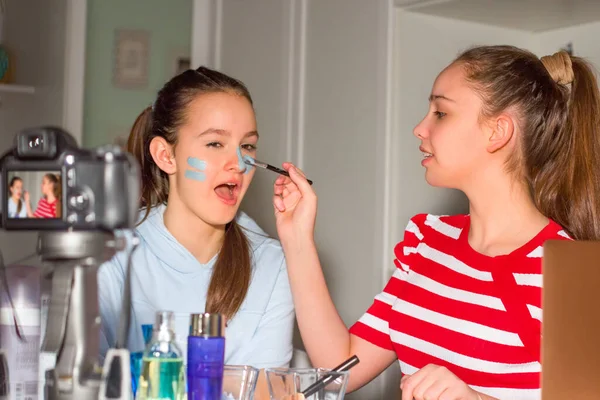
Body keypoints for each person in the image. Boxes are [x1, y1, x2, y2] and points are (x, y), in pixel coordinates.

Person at [272, 45, 600, 400]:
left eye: (441, 113)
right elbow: (337, 371)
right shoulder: (427, 243)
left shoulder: (573, 274)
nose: (419, 128)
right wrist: (297, 239)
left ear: (498, 132)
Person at [97, 66, 295, 370]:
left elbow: (265, 389)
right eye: (215, 143)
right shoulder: (109, 252)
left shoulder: (274, 264)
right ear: (165, 155)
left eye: (247, 146)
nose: (239, 164)